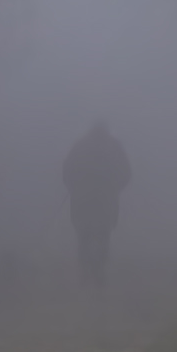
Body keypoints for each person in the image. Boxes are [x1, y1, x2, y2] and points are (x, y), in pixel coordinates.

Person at [62, 120, 131, 288]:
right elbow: (126, 172)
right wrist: (115, 188)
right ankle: (99, 275)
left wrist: (74, 188)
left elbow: (67, 170)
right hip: (106, 200)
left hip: (82, 200)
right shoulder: (114, 146)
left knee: (84, 235)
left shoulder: (80, 146)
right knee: (102, 234)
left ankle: (85, 274)